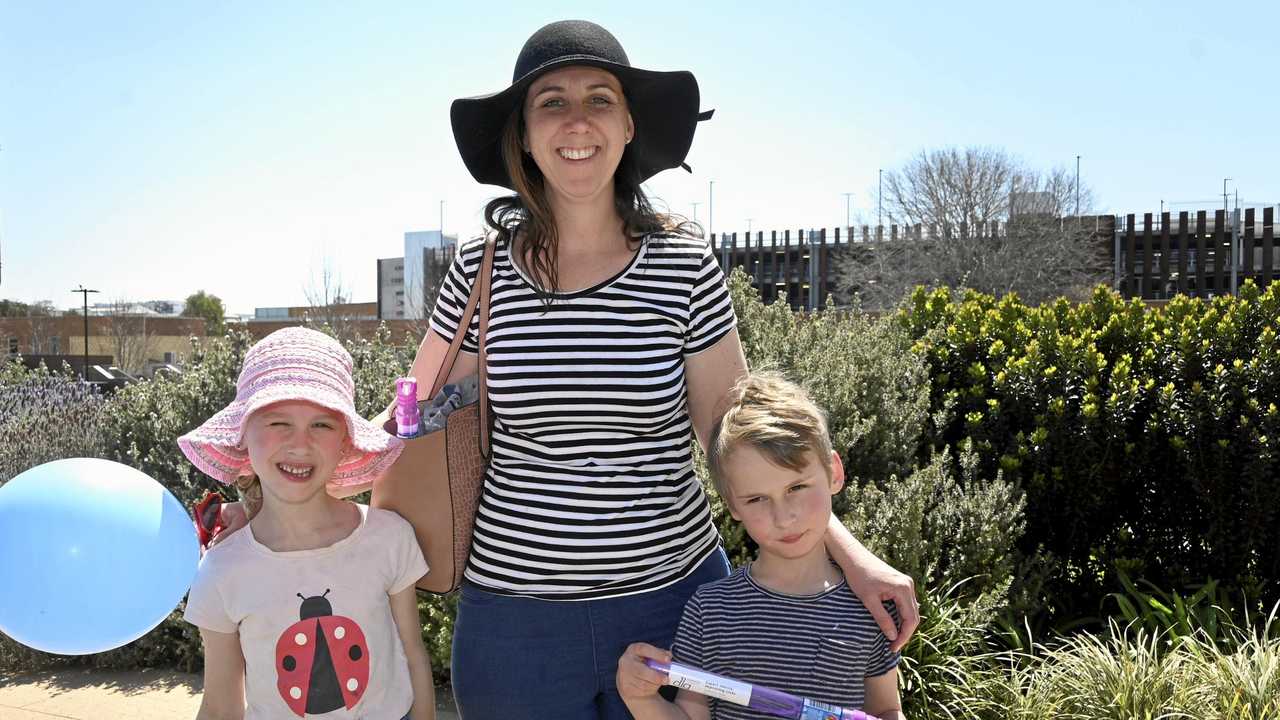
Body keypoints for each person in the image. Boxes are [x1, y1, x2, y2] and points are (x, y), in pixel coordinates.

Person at [206, 19, 919, 720]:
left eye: (599, 98)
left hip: (675, 607)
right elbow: (405, 425)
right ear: (523, 132)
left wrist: (850, 557)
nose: (577, 120)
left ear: (629, 125)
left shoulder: (683, 265)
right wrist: (270, 508)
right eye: (553, 101)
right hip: (517, 627)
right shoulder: (481, 270)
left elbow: (743, 445)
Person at [179, 327, 435, 720]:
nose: (300, 444)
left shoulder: (389, 538)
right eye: (278, 422)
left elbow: (413, 657)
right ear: (242, 435)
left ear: (346, 441)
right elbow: (219, 706)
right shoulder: (221, 570)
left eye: (322, 425)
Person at [616, 373, 905, 720]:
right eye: (757, 499)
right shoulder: (710, 611)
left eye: (797, 488)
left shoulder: (869, 611)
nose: (783, 517)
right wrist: (642, 699)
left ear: (834, 472)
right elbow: (691, 715)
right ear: (733, 506)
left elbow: (887, 709)